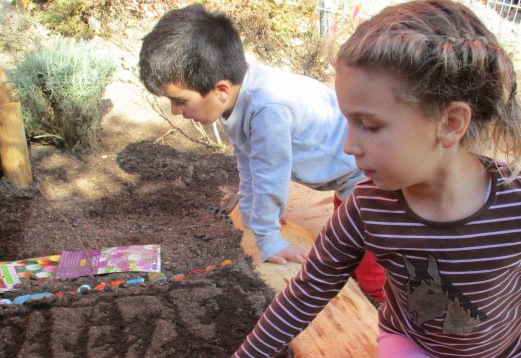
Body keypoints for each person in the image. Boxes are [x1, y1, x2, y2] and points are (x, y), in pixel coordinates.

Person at [185, 0, 521, 358]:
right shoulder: (368, 207)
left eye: (369, 125)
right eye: (348, 123)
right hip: (418, 347)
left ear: (450, 122)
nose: (349, 146)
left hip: (504, 357)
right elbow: (305, 293)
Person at [138, 3, 386, 302]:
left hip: (369, 172)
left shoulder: (268, 107)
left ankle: (389, 313)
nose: (176, 112)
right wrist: (253, 210)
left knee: (372, 266)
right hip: (346, 173)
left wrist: (269, 241)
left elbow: (271, 176)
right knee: (346, 240)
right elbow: (248, 160)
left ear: (220, 90)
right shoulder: (237, 93)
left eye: (180, 101)